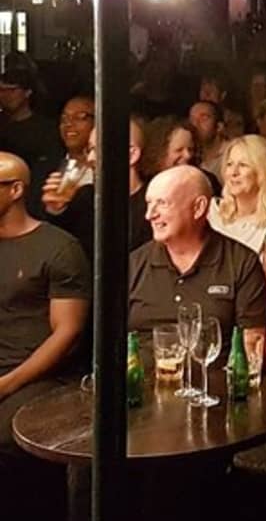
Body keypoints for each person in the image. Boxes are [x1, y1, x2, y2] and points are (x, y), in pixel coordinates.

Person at [129, 165, 266, 353]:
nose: (150, 215)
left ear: (198, 208)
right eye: (149, 203)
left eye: (162, 203)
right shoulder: (134, 264)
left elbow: (252, 348)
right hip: (141, 371)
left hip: (214, 371)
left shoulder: (241, 263)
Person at [0, 152, 90, 445]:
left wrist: (5, 385)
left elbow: (67, 333)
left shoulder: (58, 248)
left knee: (5, 436)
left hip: (40, 377)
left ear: (15, 189)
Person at [42, 118, 152, 257]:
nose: (90, 158)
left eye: (99, 149)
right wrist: (56, 210)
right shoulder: (85, 198)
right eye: (90, 150)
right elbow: (60, 250)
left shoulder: (152, 202)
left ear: (132, 155)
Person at [208, 135, 266, 290]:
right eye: (229, 164)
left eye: (243, 165)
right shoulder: (212, 212)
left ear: (263, 171)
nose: (233, 172)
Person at [0, 60, 62, 216]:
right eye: (1, 90)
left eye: (12, 90)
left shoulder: (46, 129)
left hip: (32, 203)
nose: (5, 95)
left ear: (27, 92)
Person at [140, 115, 221, 195]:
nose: (188, 155)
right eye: (179, 150)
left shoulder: (207, 181)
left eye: (190, 149)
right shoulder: (145, 187)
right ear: (158, 152)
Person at [189, 100, 227, 180]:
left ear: (219, 127)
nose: (195, 124)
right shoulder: (190, 157)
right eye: (192, 119)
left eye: (204, 118)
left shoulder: (231, 153)